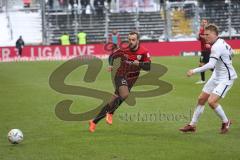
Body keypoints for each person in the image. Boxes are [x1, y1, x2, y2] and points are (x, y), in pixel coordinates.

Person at [179, 24, 238, 134]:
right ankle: (192, 125)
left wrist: (194, 71)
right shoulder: (221, 42)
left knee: (211, 101)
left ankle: (226, 122)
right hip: (216, 75)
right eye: (204, 34)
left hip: (226, 78)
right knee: (201, 99)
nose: (205, 37)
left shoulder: (216, 47)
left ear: (215, 35)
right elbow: (232, 53)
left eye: (208, 34)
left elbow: (211, 65)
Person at [89, 31, 151, 132]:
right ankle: (110, 113)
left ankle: (94, 121)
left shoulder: (144, 52)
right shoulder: (123, 50)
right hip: (120, 75)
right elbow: (112, 56)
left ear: (138, 40)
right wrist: (111, 65)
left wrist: (139, 64)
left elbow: (148, 67)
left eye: (133, 40)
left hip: (132, 79)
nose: (131, 42)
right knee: (125, 94)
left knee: (115, 100)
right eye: (129, 39)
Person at [196, 19, 211, 84]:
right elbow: (198, 38)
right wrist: (199, 35)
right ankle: (203, 80)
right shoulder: (201, 30)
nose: (204, 23)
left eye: (205, 22)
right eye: (203, 22)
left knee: (206, 65)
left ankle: (219, 76)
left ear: (207, 23)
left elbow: (207, 38)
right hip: (203, 50)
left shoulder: (209, 30)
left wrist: (201, 36)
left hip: (208, 50)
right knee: (202, 65)